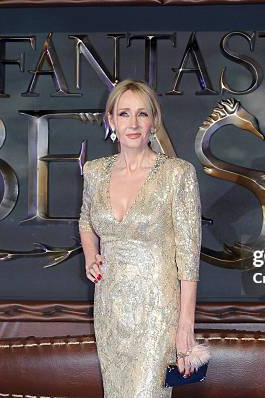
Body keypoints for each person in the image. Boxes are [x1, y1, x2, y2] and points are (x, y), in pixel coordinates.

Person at [78, 79, 202, 397]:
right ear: (110, 121)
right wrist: (91, 255)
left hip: (158, 311)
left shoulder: (177, 173)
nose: (133, 124)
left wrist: (185, 326)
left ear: (154, 121)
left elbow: (189, 253)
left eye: (142, 114)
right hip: (110, 309)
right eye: (124, 114)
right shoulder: (94, 171)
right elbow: (86, 222)